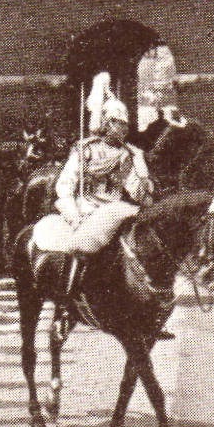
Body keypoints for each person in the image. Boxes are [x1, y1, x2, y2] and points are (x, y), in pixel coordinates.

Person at [55, 72, 156, 322]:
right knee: (79, 251)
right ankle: (66, 304)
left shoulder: (129, 154)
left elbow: (135, 190)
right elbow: (65, 186)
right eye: (116, 123)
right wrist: (74, 214)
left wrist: (143, 181)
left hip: (117, 209)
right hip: (87, 209)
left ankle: (147, 308)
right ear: (105, 123)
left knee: (142, 247)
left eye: (124, 124)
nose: (122, 128)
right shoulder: (85, 150)